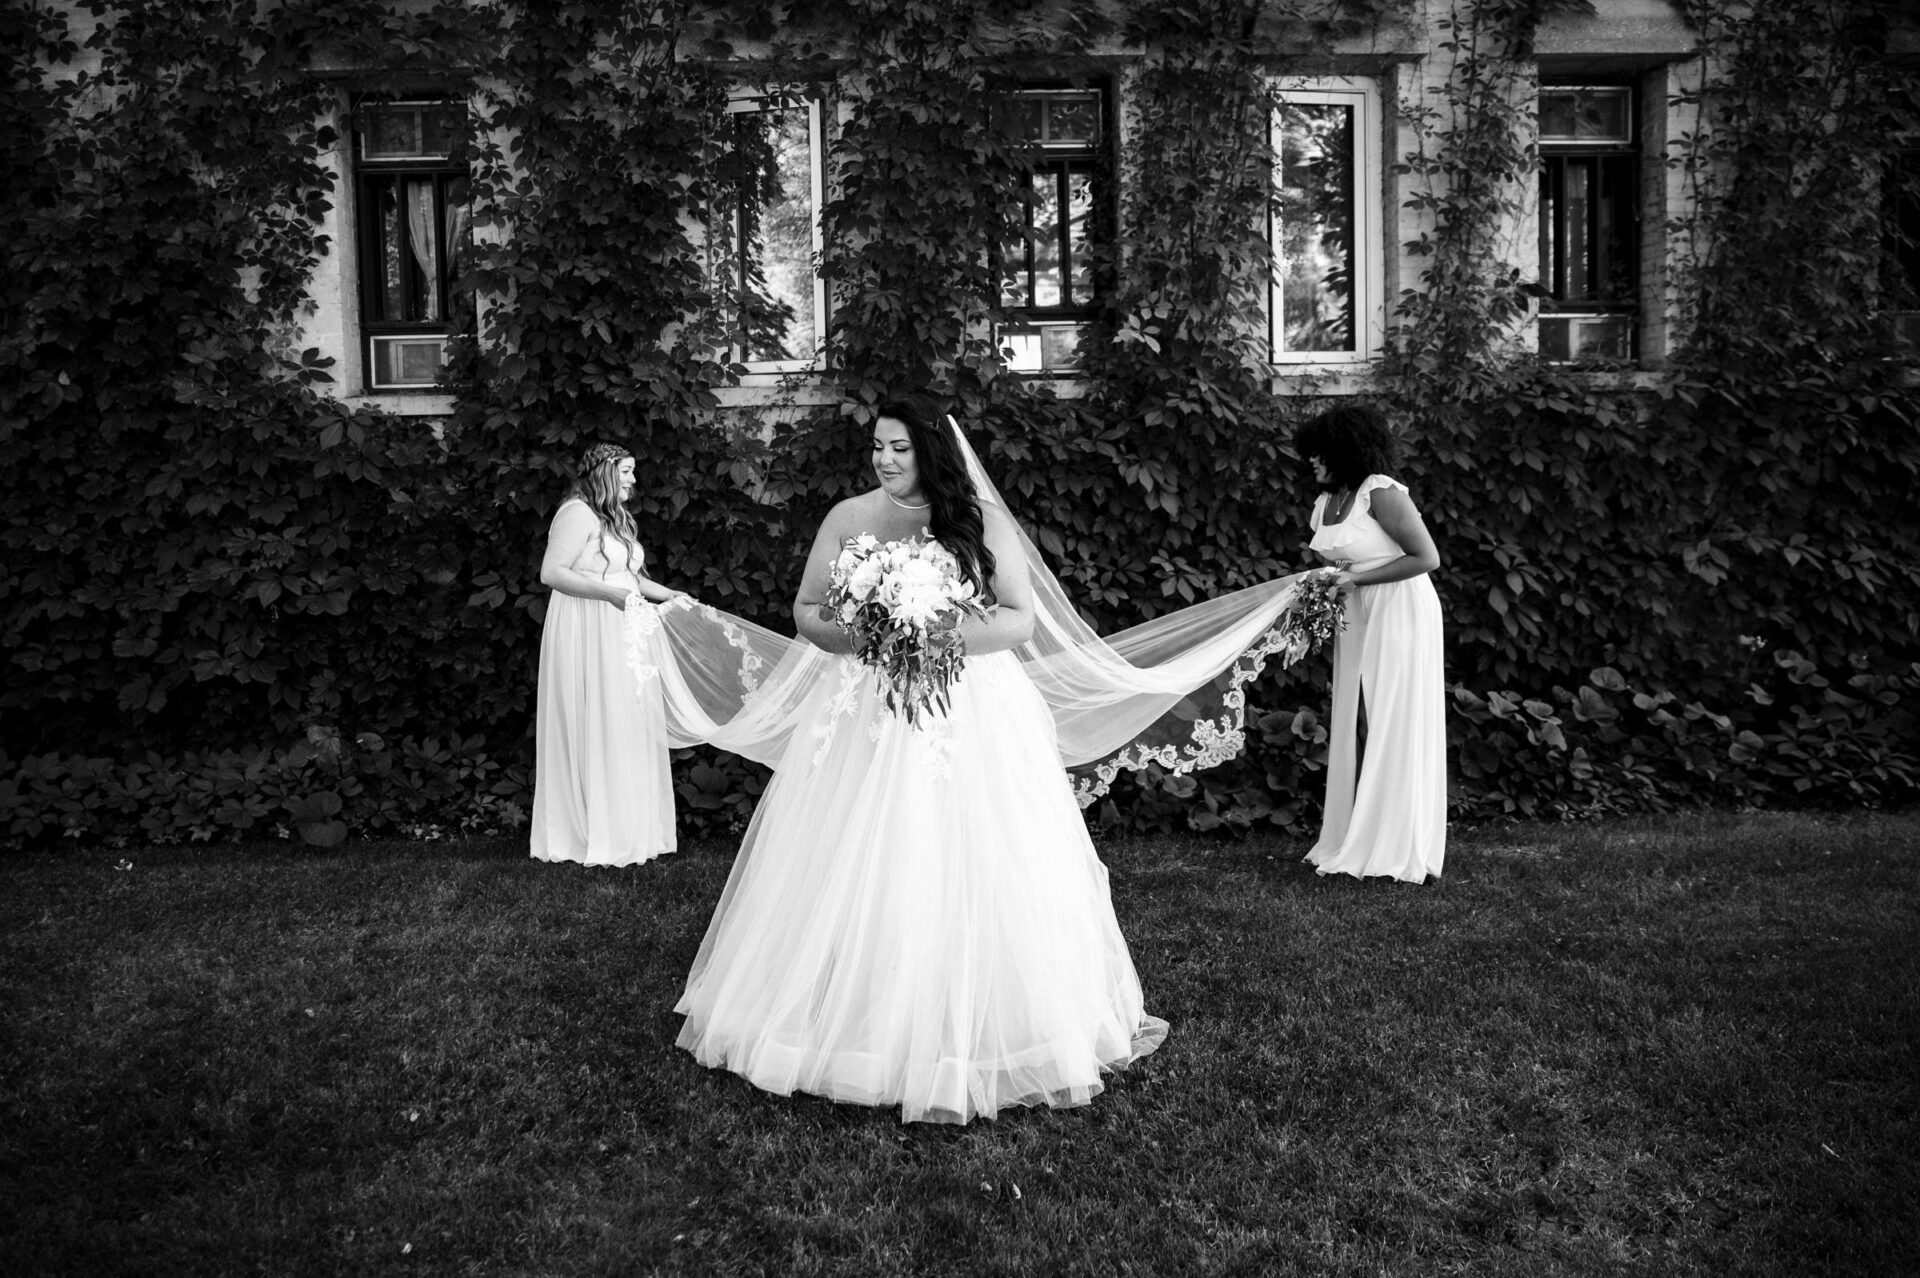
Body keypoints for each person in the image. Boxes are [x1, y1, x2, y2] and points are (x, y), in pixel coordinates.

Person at [669, 400, 1170, 1124]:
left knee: (977, 850)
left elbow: (1019, 619)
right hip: (866, 706)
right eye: (877, 446)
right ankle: (850, 1011)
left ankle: (991, 1016)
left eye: (899, 447)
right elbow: (809, 609)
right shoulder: (848, 518)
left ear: (931, 451)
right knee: (855, 848)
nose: (884, 459)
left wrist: (935, 635)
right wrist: (867, 637)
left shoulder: (982, 522)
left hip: (966, 710)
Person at [1296, 404, 1446, 883]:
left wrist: (1353, 583)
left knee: (1391, 717)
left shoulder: (1379, 492)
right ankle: (1355, 832)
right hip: (1357, 615)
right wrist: (1329, 586)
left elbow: (1427, 558)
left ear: (1344, 450)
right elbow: (1342, 566)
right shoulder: (1325, 502)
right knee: (1356, 717)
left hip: (1400, 608)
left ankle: (1396, 843)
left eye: (1319, 454)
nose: (1311, 462)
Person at [529, 440, 692, 867]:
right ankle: (590, 830)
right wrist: (610, 597)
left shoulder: (612, 518)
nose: (634, 480)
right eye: (627, 472)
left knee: (626, 718)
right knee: (597, 716)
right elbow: (552, 573)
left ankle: (630, 827)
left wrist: (670, 594)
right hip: (587, 625)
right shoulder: (575, 513)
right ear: (604, 472)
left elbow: (631, 576)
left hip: (623, 625)